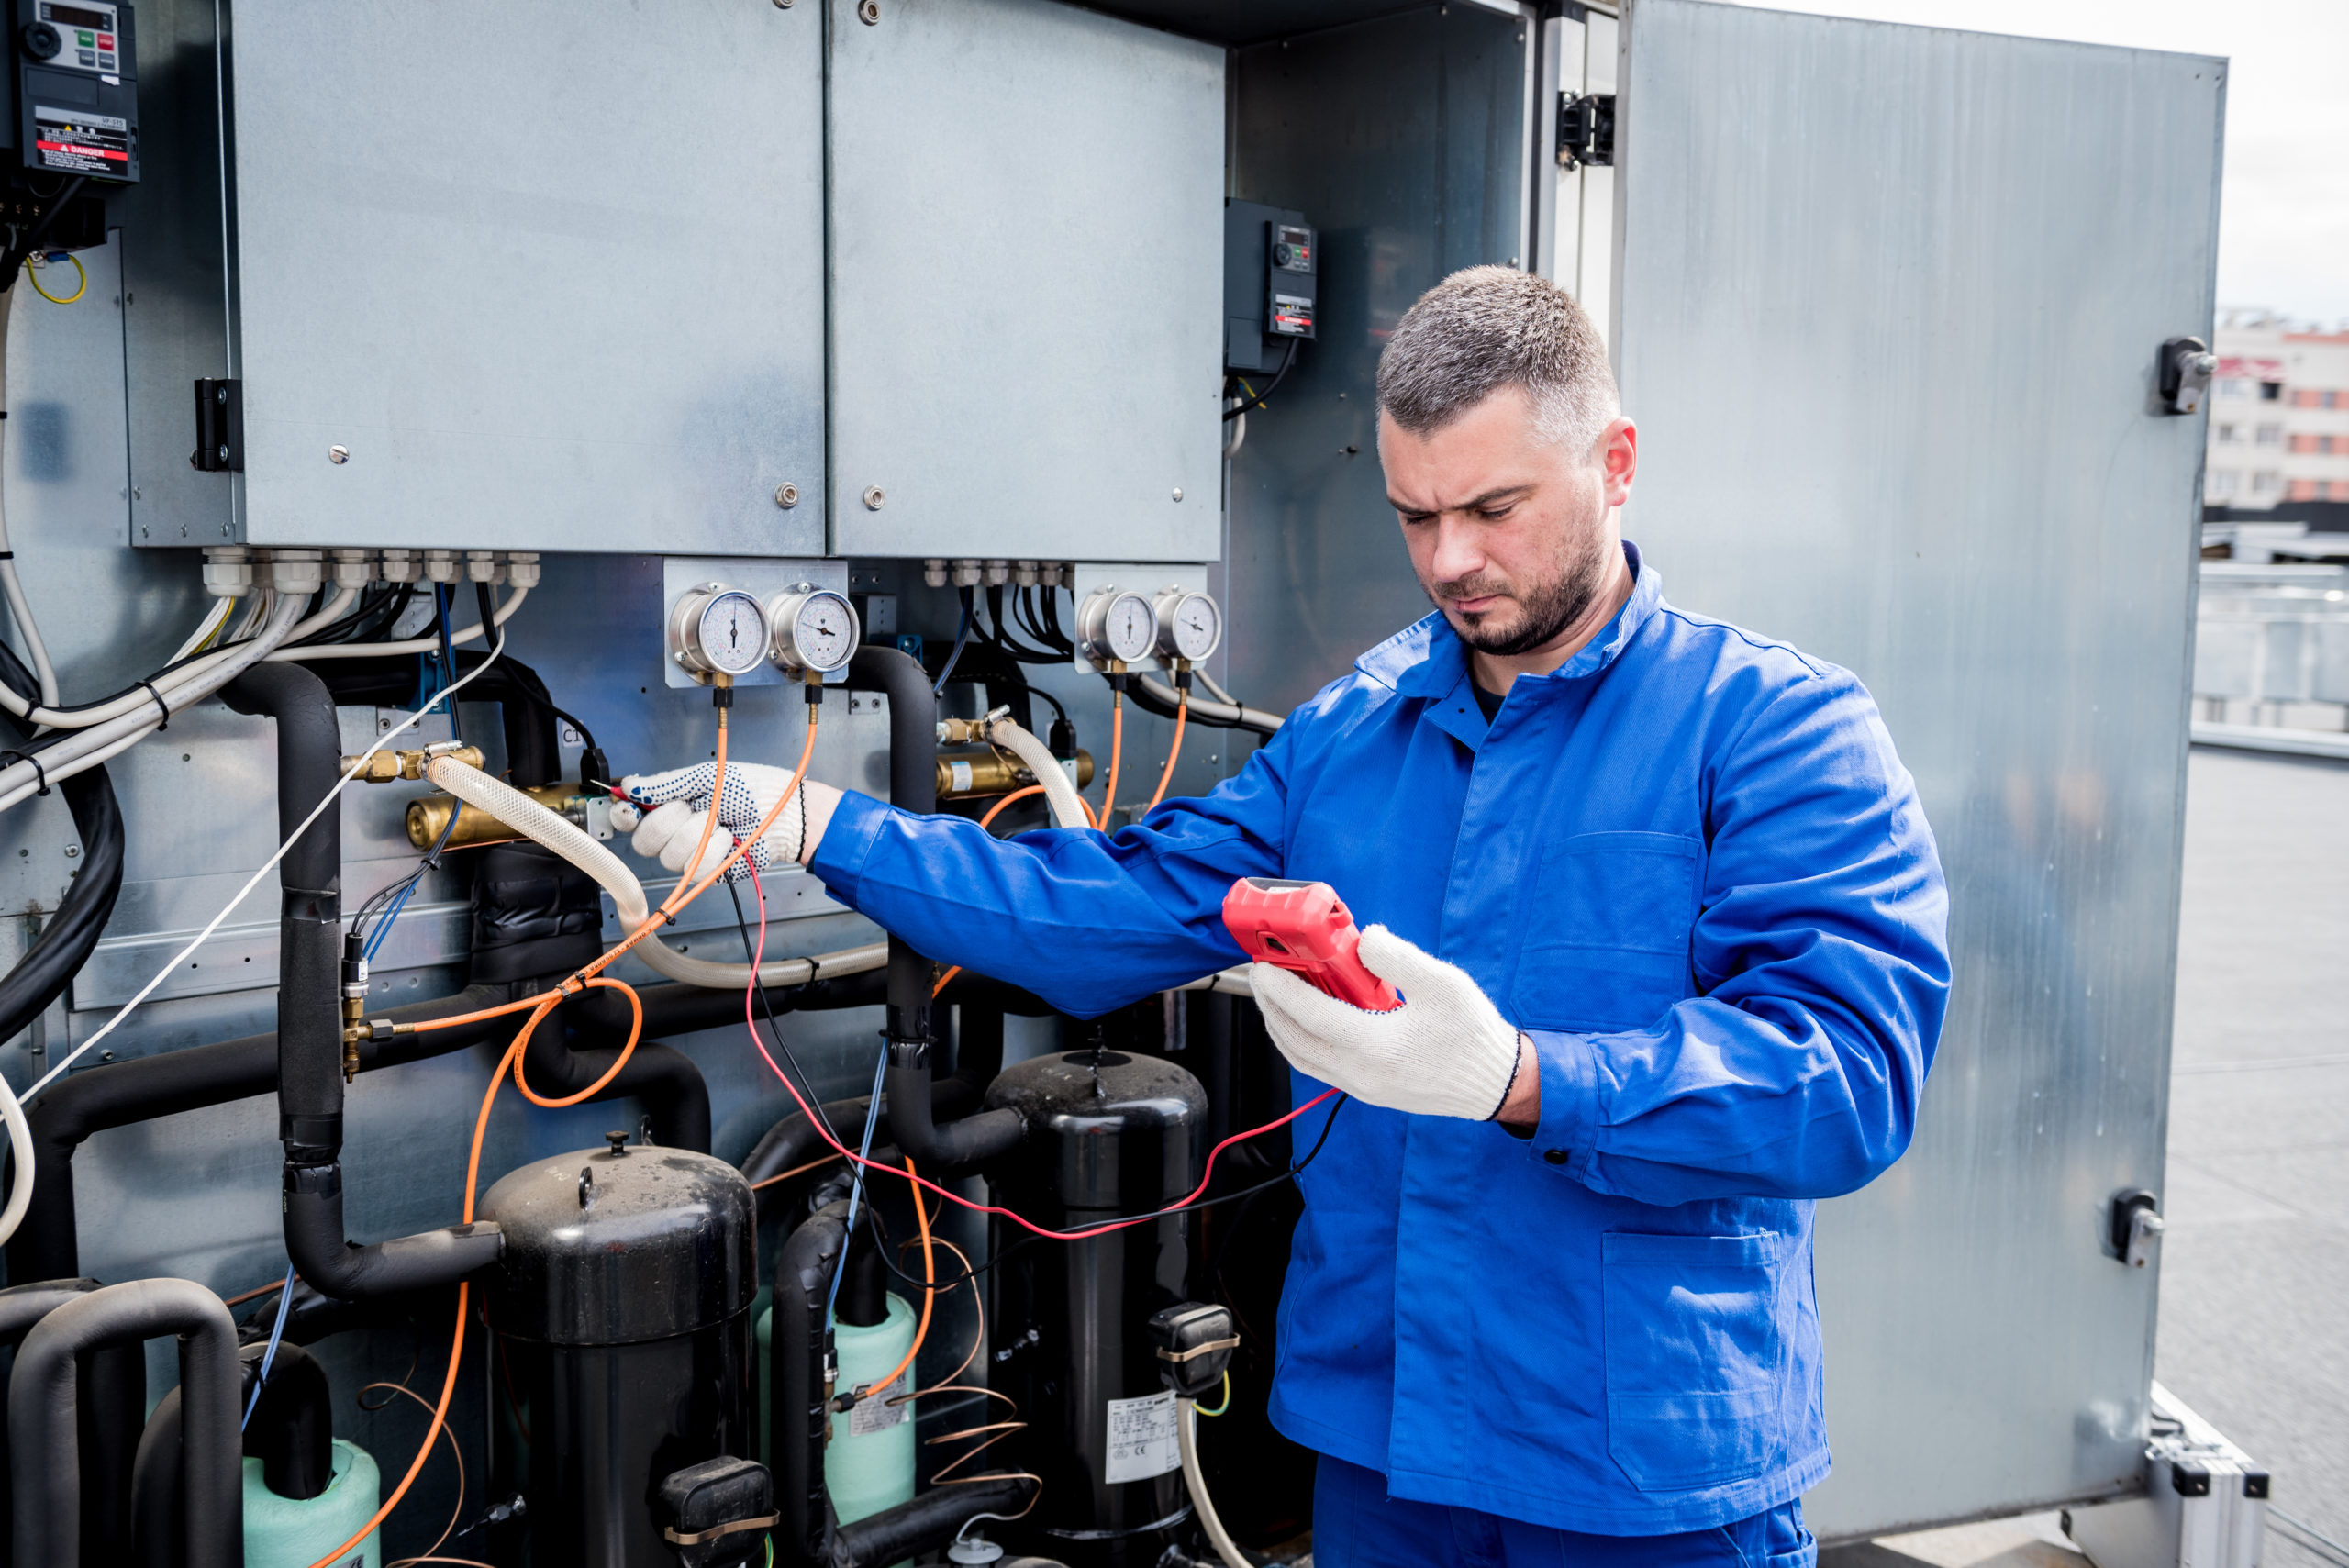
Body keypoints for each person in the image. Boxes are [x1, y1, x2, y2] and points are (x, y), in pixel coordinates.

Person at [626, 266, 1950, 1567]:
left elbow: (1846, 1078)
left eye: (1495, 507)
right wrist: (816, 823)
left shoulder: (1775, 729)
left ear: (1616, 462)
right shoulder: (1356, 732)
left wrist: (1525, 1080)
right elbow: (1116, 900)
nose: (1452, 560)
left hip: (1644, 1472)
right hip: (1385, 1449)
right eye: (1415, 515)